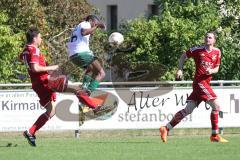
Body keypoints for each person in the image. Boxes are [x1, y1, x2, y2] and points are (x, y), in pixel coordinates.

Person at [20, 27, 102, 147]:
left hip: (37, 84)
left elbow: (22, 59)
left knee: (51, 111)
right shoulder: (34, 50)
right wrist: (52, 67)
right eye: (40, 37)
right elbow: (35, 68)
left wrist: (40, 65)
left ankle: (30, 132)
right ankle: (95, 107)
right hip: (46, 81)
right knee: (76, 89)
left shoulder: (25, 51)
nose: (41, 39)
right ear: (35, 38)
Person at [159, 32, 228, 143]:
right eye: (206, 37)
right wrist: (180, 69)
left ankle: (166, 128)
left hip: (205, 83)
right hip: (200, 83)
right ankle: (215, 135)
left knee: (188, 110)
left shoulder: (217, 52)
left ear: (214, 40)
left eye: (210, 37)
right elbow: (183, 56)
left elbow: (217, 68)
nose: (207, 39)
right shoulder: (197, 50)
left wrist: (211, 70)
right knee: (216, 106)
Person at [67, 15, 106, 96]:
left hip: (73, 56)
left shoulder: (78, 26)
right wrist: (97, 26)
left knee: (91, 68)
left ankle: (84, 88)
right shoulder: (86, 23)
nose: (95, 25)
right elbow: (84, 32)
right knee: (101, 73)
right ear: (91, 20)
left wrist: (95, 27)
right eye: (95, 23)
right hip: (82, 53)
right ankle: (88, 92)